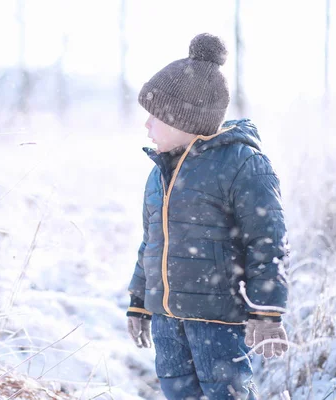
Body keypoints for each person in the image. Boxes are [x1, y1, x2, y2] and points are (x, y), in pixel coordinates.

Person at [126, 33, 290, 399]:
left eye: (155, 116)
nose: (146, 125)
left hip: (217, 320)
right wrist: (139, 301)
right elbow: (152, 242)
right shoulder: (159, 172)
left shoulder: (242, 164)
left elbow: (268, 241)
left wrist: (266, 312)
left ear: (185, 118)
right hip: (168, 320)